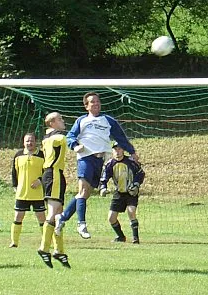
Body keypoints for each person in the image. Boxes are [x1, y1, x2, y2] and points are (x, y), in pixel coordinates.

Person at [55, 91, 139, 239]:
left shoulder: (108, 120)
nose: (96, 104)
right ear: (86, 106)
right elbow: (70, 136)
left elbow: (121, 137)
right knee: (83, 190)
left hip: (99, 161)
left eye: (97, 101)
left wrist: (132, 151)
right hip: (85, 158)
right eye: (92, 102)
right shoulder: (82, 120)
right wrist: (75, 146)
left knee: (85, 194)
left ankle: (62, 217)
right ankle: (81, 224)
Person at [37, 112, 70, 268]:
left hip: (53, 174)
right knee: (53, 212)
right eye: (60, 119)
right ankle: (44, 248)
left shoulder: (47, 138)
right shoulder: (57, 137)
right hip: (54, 174)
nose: (63, 121)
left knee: (58, 214)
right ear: (51, 123)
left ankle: (59, 250)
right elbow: (66, 139)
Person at [99, 142, 145, 244]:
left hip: (131, 192)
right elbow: (104, 177)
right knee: (111, 217)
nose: (117, 152)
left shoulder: (131, 162)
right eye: (115, 149)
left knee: (131, 211)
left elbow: (140, 173)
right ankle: (120, 237)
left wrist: (136, 184)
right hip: (119, 192)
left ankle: (135, 238)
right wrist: (103, 187)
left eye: (119, 149)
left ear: (123, 150)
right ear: (112, 151)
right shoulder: (110, 164)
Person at [9, 133, 46, 248]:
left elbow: (47, 171)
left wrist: (40, 181)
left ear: (36, 142)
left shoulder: (41, 155)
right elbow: (14, 173)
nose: (29, 143)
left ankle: (47, 241)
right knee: (18, 216)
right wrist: (15, 186)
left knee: (41, 217)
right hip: (22, 193)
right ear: (23, 142)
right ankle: (14, 242)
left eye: (32, 141)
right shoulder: (18, 155)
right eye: (27, 141)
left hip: (37, 193)